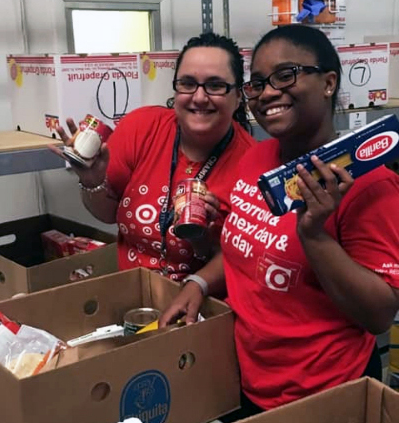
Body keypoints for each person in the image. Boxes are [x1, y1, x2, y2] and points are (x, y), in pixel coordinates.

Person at [159, 25, 399, 419]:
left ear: (328, 83)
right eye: (257, 83)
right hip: (245, 377)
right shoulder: (257, 159)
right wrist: (199, 281)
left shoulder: (370, 185)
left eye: (285, 75)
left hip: (322, 395)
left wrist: (314, 235)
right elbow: (249, 246)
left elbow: (380, 314)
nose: (268, 93)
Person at [50, 33, 255, 281]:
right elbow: (107, 215)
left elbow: (244, 266)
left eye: (215, 85)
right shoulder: (142, 127)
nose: (199, 97)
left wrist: (202, 239)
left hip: (204, 306)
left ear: (239, 96)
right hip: (134, 296)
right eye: (188, 83)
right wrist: (92, 181)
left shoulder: (252, 164)